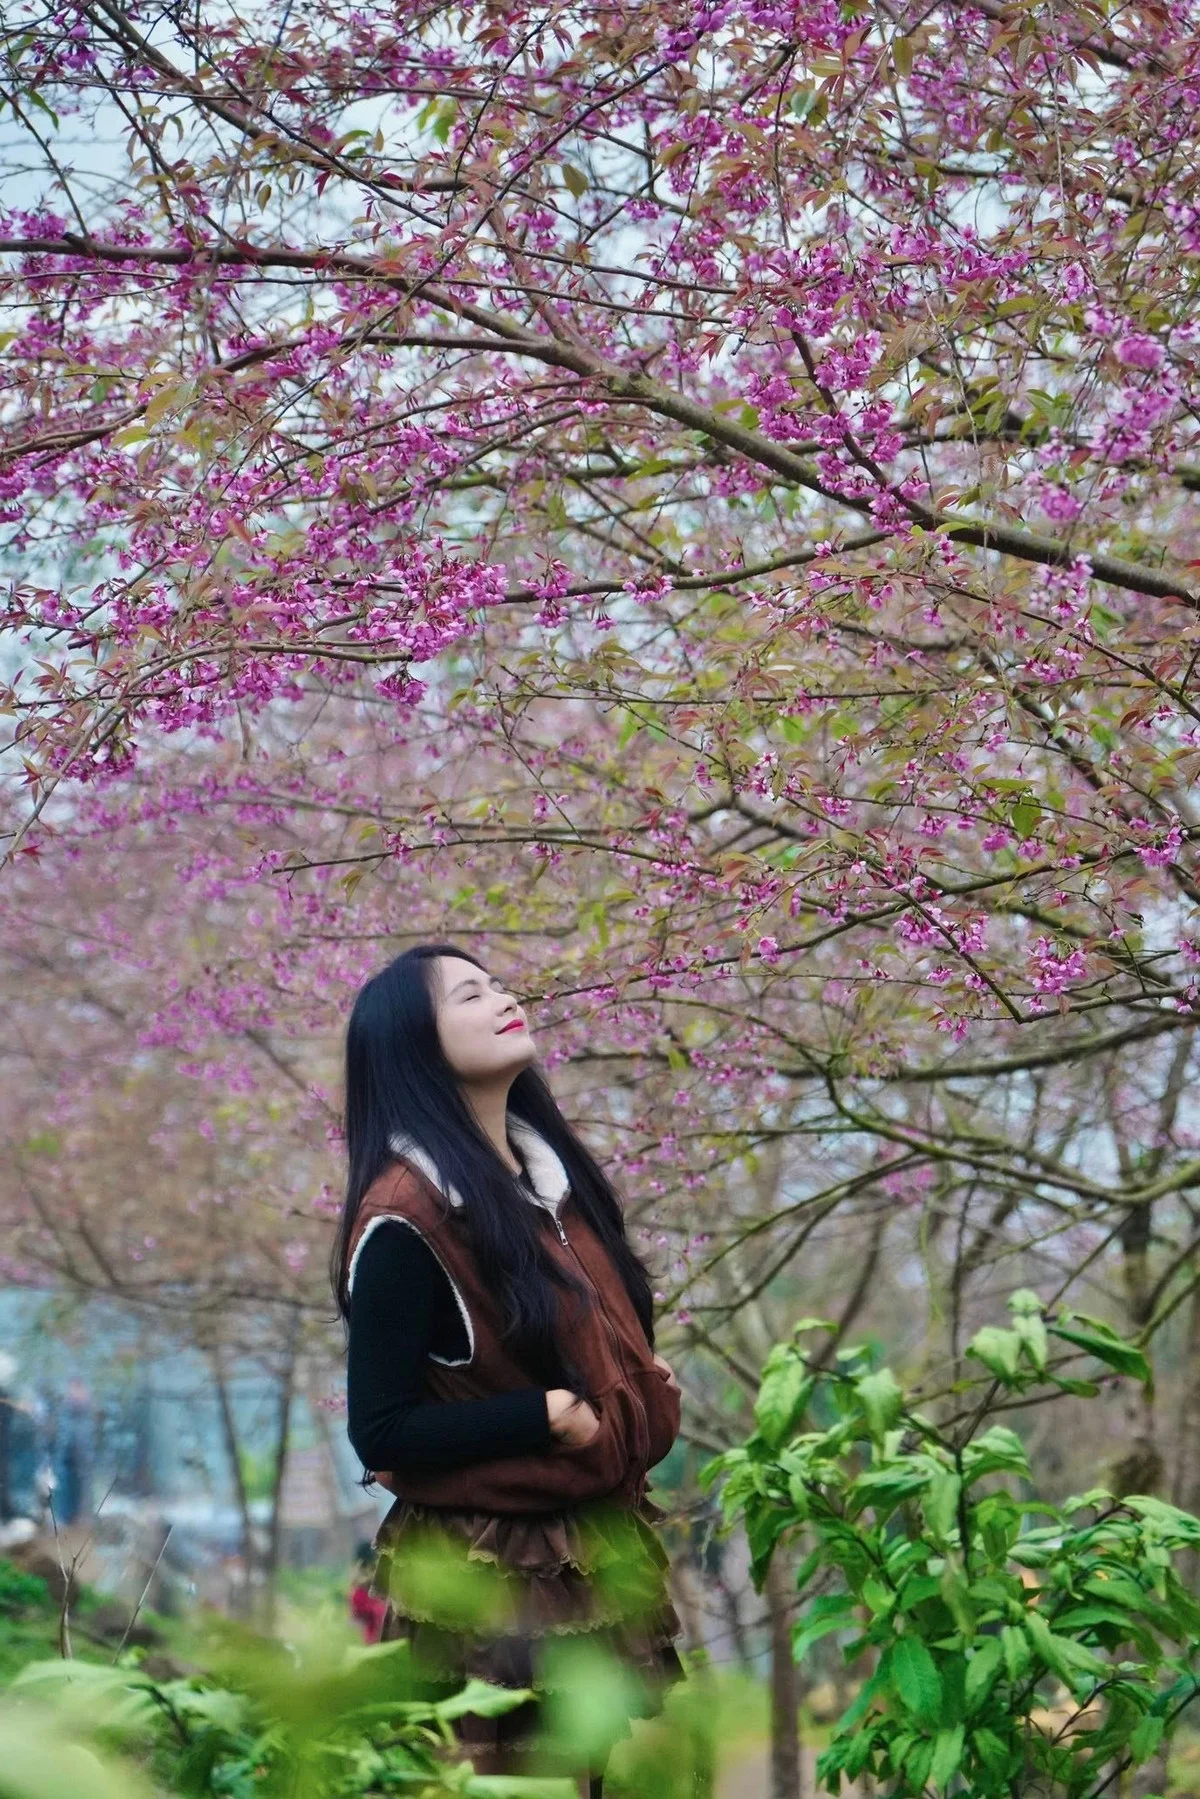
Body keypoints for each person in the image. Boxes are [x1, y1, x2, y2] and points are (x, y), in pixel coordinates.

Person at [333, 944, 685, 1797]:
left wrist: (637, 1381)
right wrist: (546, 1413)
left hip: (590, 1547)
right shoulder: (407, 1217)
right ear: (415, 1042)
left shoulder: (550, 1183)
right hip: (490, 1572)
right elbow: (380, 1429)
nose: (501, 998)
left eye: (496, 983)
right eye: (469, 994)